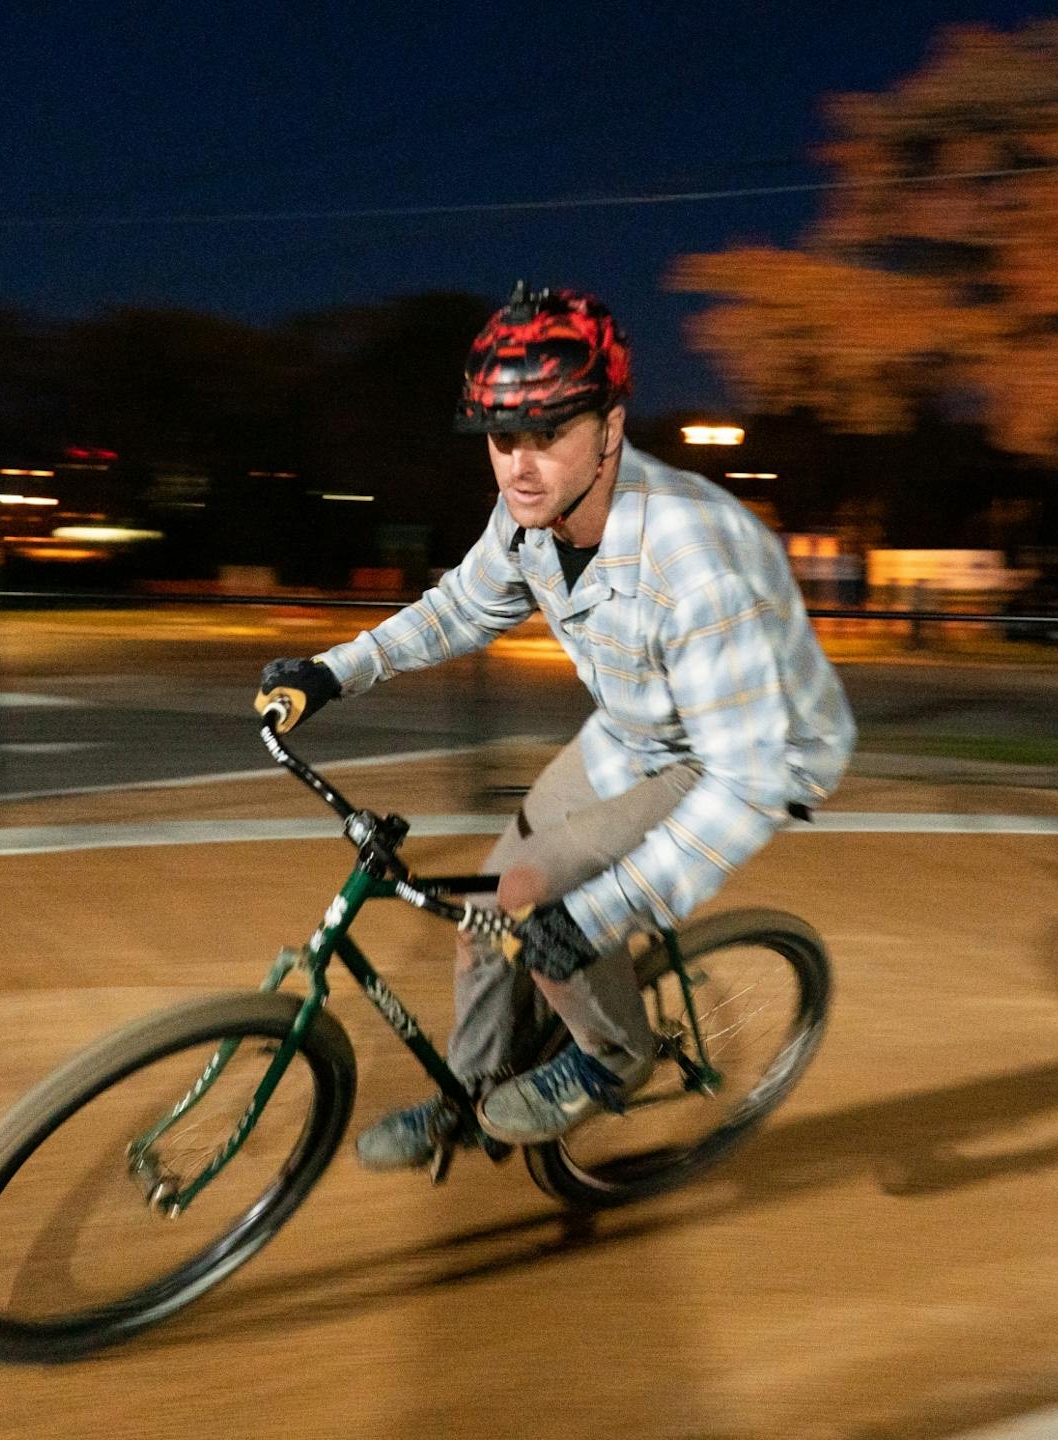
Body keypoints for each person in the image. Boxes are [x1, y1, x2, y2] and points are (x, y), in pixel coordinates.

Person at [258, 283, 855, 1173]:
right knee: (483, 909)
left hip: (746, 751)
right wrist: (334, 673)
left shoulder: (695, 563)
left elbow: (747, 781)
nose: (519, 465)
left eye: (550, 435)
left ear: (611, 428)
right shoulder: (531, 516)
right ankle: (469, 1097)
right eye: (503, 439)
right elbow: (460, 609)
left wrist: (599, 914)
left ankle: (616, 1054)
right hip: (637, 730)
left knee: (541, 899)